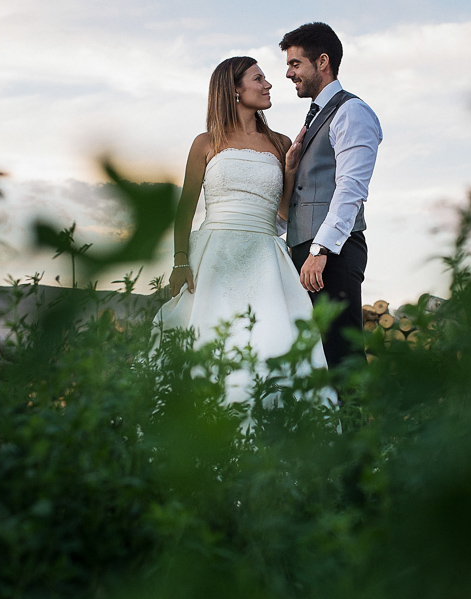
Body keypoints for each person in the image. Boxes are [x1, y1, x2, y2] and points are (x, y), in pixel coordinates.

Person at [155, 56, 327, 403]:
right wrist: (179, 261)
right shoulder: (206, 142)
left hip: (266, 257)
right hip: (214, 255)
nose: (268, 84)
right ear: (234, 88)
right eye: (258, 78)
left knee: (271, 341)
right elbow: (185, 209)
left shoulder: (279, 142)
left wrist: (290, 170)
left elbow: (282, 213)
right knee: (210, 342)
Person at [280, 22, 383, 369]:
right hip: (309, 253)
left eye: (295, 64)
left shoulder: (352, 111)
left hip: (331, 254)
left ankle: (358, 426)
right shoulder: (318, 116)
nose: (288, 73)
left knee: (342, 355)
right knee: (317, 359)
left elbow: (351, 189)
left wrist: (320, 249)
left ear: (322, 62)